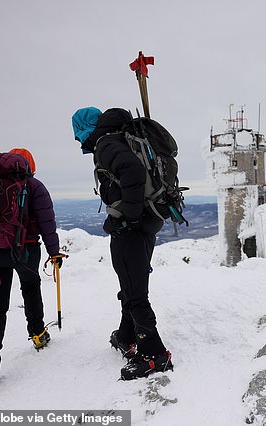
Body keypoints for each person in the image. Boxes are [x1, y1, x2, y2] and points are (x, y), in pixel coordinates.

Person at [71, 106, 173, 380]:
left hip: (133, 225)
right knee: (132, 280)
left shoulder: (106, 144)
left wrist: (127, 217)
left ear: (86, 129)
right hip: (149, 220)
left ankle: (154, 355)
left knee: (134, 289)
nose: (78, 140)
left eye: (77, 133)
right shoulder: (121, 139)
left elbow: (131, 171)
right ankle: (127, 335)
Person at [0, 148, 62, 391]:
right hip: (25, 250)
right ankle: (38, 334)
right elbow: (46, 222)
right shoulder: (34, 186)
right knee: (31, 289)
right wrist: (54, 252)